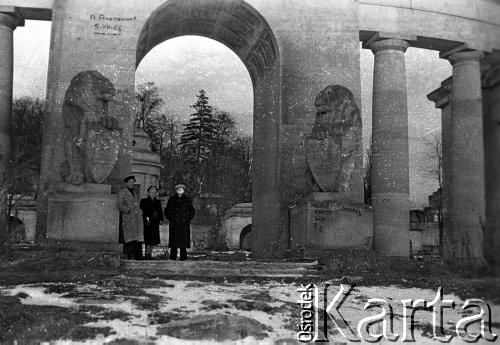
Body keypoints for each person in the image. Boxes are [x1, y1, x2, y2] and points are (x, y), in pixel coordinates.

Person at [164, 182, 195, 261]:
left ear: (184, 190)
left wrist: (187, 218)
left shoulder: (187, 199)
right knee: (174, 243)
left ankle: (183, 258)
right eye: (178, 189)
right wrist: (171, 218)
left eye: (182, 189)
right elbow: (167, 211)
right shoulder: (172, 199)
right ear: (176, 190)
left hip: (184, 224)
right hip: (174, 224)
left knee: (183, 243)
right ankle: (172, 257)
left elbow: (192, 211)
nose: (180, 190)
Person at [117, 175, 144, 260]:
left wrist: (140, 211)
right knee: (129, 237)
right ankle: (130, 255)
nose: (132, 184)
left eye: (133, 182)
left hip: (136, 218)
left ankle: (137, 256)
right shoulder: (122, 192)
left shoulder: (135, 193)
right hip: (128, 217)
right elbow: (119, 204)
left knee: (137, 237)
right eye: (130, 182)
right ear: (126, 183)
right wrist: (128, 210)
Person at [140, 185, 164, 260]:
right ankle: (146, 254)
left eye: (154, 192)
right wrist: (147, 218)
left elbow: (160, 211)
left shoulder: (157, 202)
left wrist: (160, 218)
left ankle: (150, 254)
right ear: (148, 192)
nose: (152, 193)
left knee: (153, 239)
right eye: (151, 192)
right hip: (147, 222)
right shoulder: (144, 201)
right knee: (148, 239)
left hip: (155, 222)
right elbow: (142, 211)